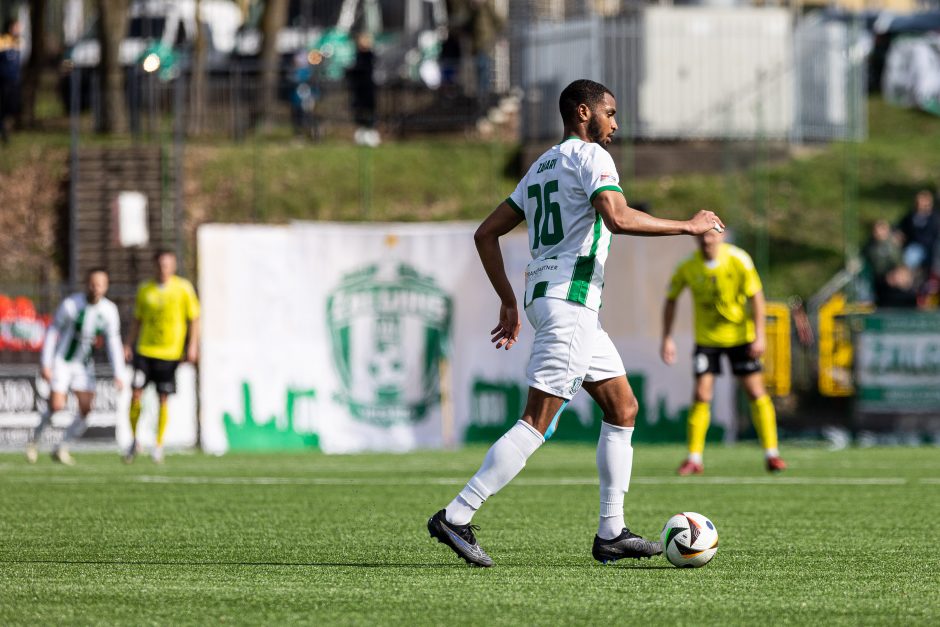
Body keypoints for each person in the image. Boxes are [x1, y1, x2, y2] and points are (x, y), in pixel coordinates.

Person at [426, 79, 725, 567]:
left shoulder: (542, 164)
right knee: (536, 423)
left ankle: (612, 533)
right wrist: (688, 226)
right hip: (570, 303)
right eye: (610, 112)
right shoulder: (592, 158)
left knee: (622, 407)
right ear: (583, 112)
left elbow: (486, 234)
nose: (615, 123)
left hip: (558, 303)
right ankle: (457, 515)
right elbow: (617, 216)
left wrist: (507, 300)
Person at [660, 229, 787, 476]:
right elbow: (671, 298)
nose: (707, 240)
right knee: (701, 394)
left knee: (756, 391)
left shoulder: (739, 259)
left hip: (740, 338)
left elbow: (757, 298)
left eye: (711, 236)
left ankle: (772, 454)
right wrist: (667, 337)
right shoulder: (687, 266)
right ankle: (694, 458)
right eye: (702, 236)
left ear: (721, 236)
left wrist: (760, 335)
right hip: (707, 341)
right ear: (696, 238)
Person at [27, 269, 125, 465]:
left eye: (100, 285)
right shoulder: (71, 305)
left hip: (84, 366)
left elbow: (114, 342)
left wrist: (119, 372)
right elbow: (53, 330)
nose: (96, 288)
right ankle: (34, 442)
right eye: (93, 284)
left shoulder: (109, 311)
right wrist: (46, 363)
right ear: (87, 284)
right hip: (63, 361)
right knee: (56, 406)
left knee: (86, 410)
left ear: (106, 287)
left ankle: (62, 447)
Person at [123, 250, 200, 463]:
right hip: (145, 351)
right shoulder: (145, 290)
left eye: (167, 264)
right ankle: (134, 440)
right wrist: (129, 343)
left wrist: (192, 345)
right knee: (136, 392)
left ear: (173, 266)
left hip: (170, 353)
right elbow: (137, 319)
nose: (163, 268)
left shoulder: (183, 288)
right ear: (154, 265)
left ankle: (158, 445)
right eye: (160, 264)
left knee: (162, 398)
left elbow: (194, 318)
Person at [896, 189, 939, 279]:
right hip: (915, 247)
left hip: (933, 248)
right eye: (919, 202)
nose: (921, 205)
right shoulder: (911, 216)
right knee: (909, 256)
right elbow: (898, 227)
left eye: (924, 203)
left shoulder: (935, 217)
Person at [0, 18, 23, 144]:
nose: (18, 29)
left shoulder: (18, 42)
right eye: (16, 27)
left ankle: (6, 129)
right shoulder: (2, 41)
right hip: (4, 82)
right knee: (4, 108)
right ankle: (4, 131)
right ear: (10, 27)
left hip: (15, 81)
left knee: (12, 107)